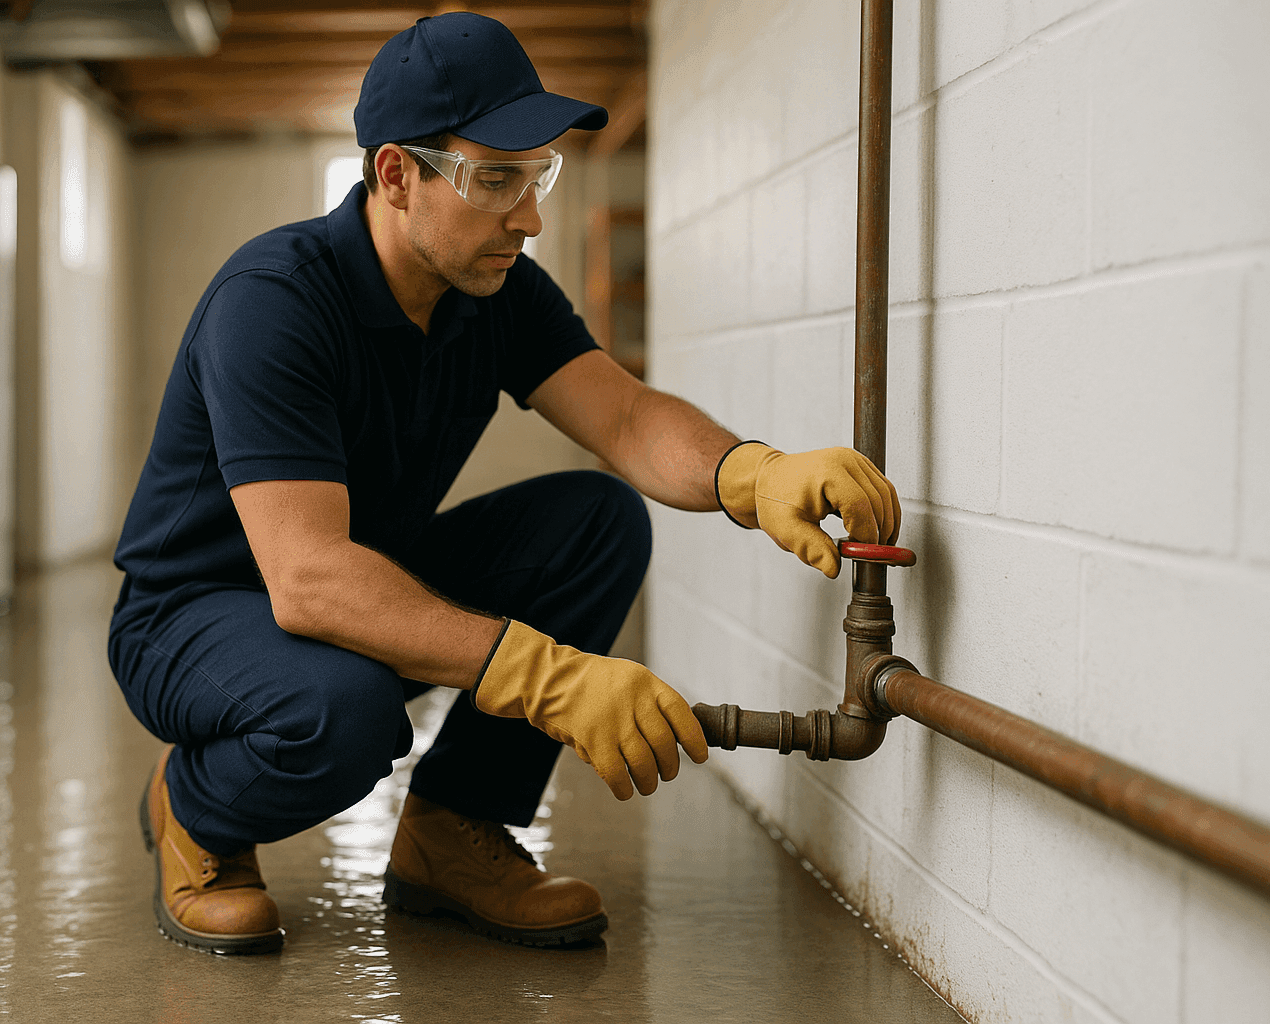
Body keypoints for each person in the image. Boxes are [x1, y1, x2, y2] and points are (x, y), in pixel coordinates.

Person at [108, 12, 900, 956]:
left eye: (539, 176)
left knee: (596, 520)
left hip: (355, 577)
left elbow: (625, 418)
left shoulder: (495, 288)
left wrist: (752, 472)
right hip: (198, 615)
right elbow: (310, 578)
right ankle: (194, 809)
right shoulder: (273, 302)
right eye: (496, 180)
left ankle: (453, 831)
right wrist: (548, 678)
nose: (529, 216)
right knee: (343, 711)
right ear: (397, 174)